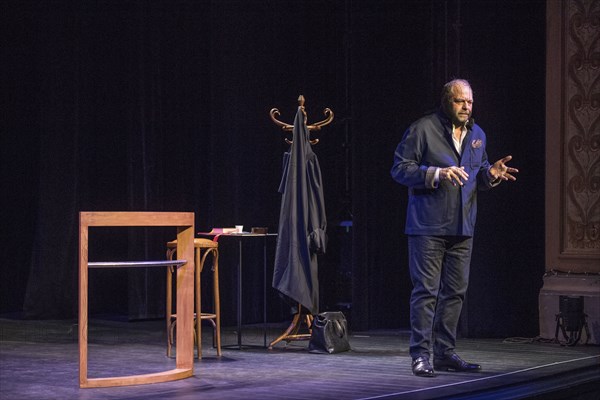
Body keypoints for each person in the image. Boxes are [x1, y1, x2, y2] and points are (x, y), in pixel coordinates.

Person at [390, 79, 518, 377]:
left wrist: (492, 174)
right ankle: (421, 355)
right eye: (460, 101)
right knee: (426, 292)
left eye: (470, 102)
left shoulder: (478, 134)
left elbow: (477, 176)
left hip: (463, 226)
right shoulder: (423, 129)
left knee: (456, 293)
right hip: (427, 226)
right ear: (447, 101)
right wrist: (436, 172)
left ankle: (445, 353)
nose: (466, 107)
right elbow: (399, 168)